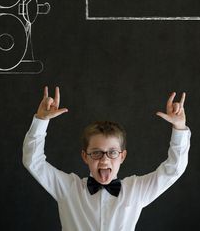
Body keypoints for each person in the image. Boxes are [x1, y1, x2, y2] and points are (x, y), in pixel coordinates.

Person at [23, 86, 191, 231]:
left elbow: (173, 170)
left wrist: (179, 128)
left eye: (112, 152)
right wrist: (41, 120)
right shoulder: (68, 189)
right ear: (85, 156)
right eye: (96, 153)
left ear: (122, 156)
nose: (104, 160)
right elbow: (33, 161)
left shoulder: (135, 190)